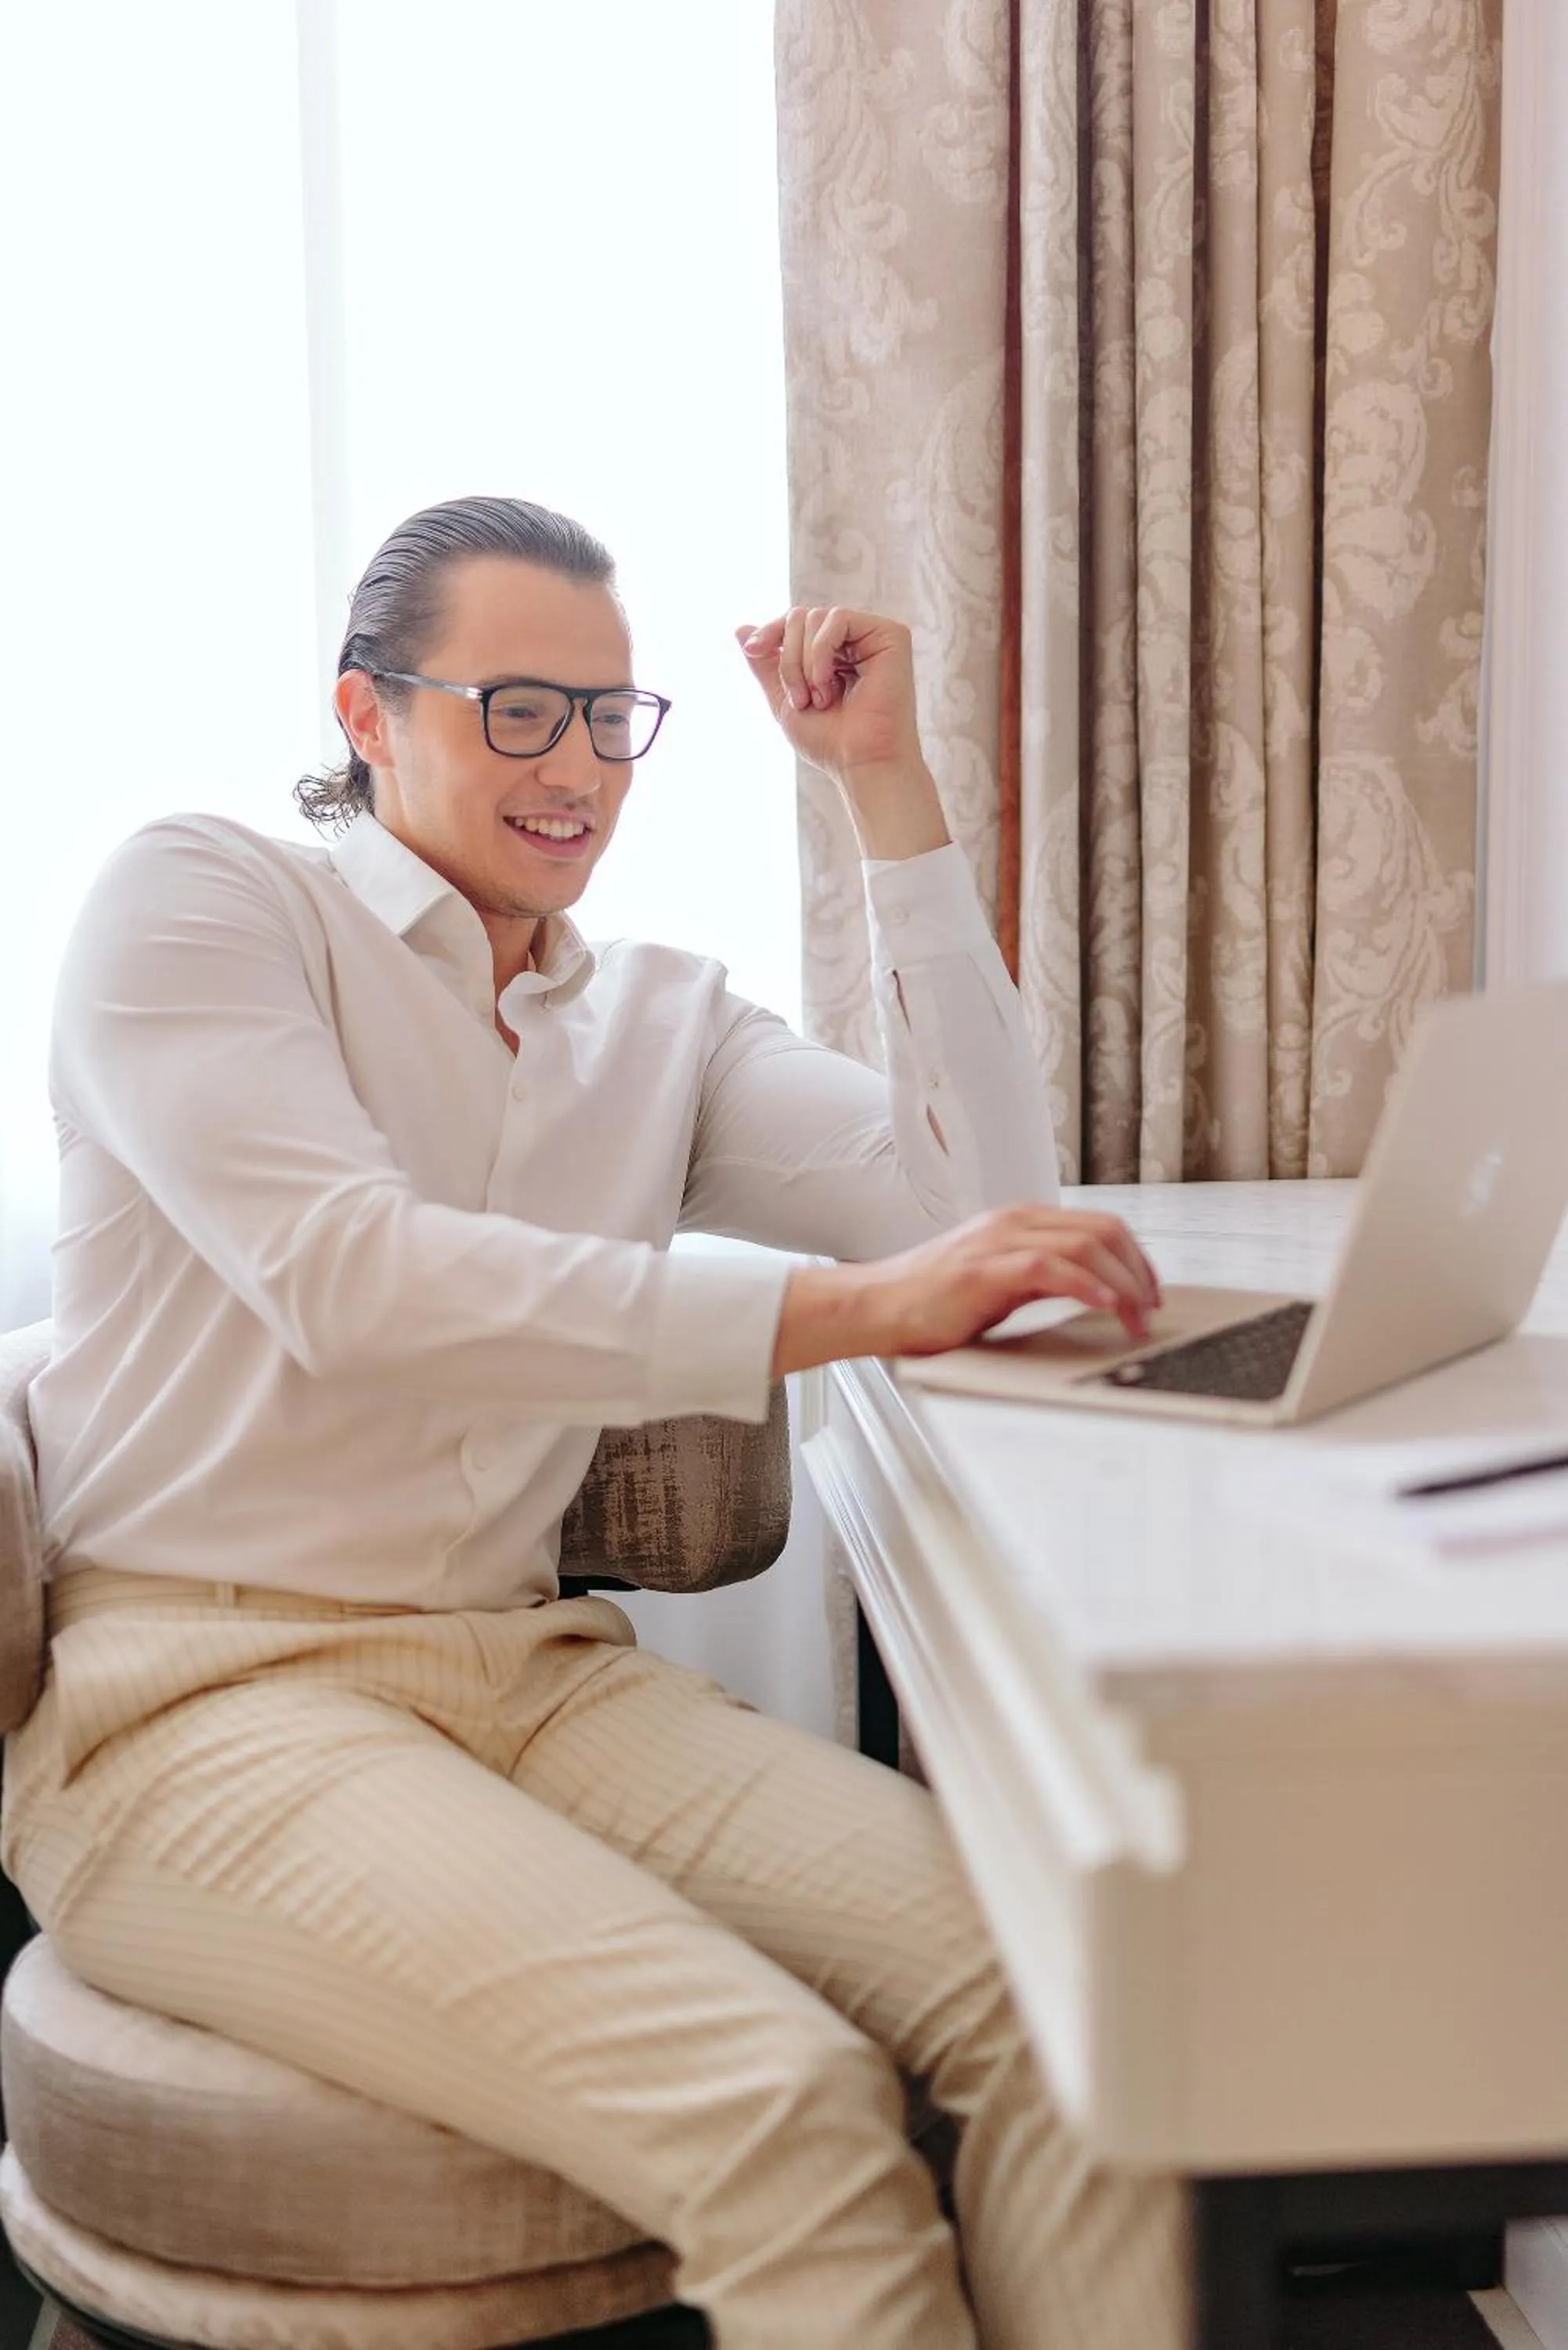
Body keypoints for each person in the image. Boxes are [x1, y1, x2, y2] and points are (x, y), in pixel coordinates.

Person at [2, 496, 1185, 2348]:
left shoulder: (656, 1020)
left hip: (524, 1673)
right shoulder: (204, 902)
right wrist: (846, 1315)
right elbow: (358, 1282)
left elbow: (976, 1206)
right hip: (202, 1707)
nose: (574, 767)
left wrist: (882, 788)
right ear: (367, 713)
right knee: (788, 2108)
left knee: (1078, 1999)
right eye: (516, 710)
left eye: (608, 717)